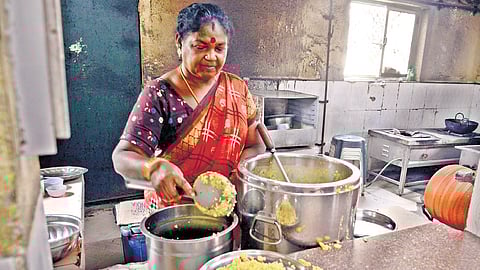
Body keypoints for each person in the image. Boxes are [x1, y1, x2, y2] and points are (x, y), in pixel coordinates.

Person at [112, 3, 264, 209]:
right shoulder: (160, 93)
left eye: (219, 48)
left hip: (224, 205)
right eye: (200, 47)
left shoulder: (237, 88)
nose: (211, 57)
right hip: (174, 212)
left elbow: (255, 145)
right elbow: (122, 157)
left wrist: (239, 173)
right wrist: (154, 168)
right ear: (179, 42)